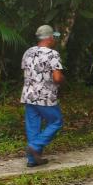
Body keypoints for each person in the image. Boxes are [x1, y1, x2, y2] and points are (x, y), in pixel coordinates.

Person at [20, 25, 65, 167]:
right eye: (54, 37)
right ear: (50, 38)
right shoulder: (52, 54)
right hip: (45, 97)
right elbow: (57, 78)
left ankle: (32, 159)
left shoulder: (28, 52)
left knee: (33, 126)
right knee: (56, 121)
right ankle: (35, 146)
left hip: (28, 95)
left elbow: (26, 73)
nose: (54, 40)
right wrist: (63, 79)